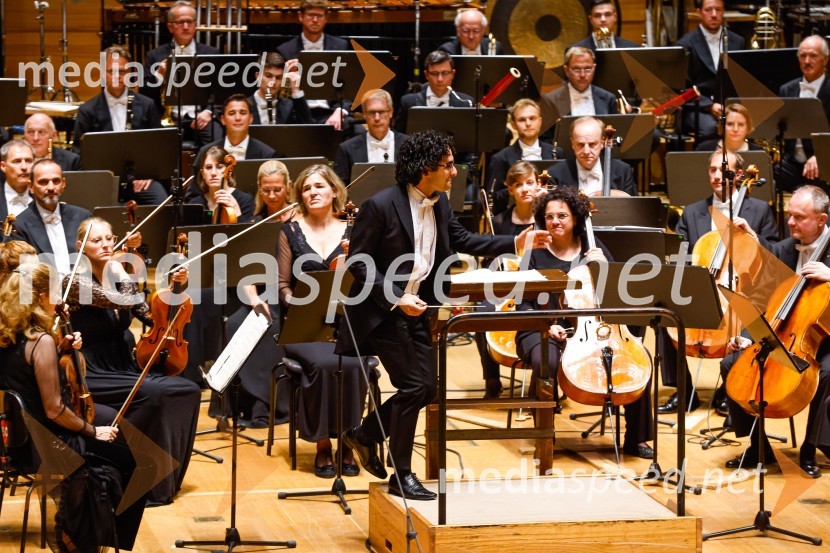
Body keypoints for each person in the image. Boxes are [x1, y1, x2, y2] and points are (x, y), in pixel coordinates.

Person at [337, 130, 551, 500]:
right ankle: (401, 474)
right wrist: (395, 297)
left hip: (419, 309)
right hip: (381, 312)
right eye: (448, 166)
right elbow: (359, 263)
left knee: (428, 389)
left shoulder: (439, 203)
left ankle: (365, 434)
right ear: (424, 169)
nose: (455, 172)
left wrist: (516, 242)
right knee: (414, 387)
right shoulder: (380, 205)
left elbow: (465, 240)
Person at [0, 261, 146, 550]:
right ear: (41, 296)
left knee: (126, 444)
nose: (61, 297)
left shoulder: (8, 333)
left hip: (14, 438)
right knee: (141, 460)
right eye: (56, 290)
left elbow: (25, 379)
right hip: (48, 441)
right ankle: (90, 535)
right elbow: (54, 409)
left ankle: (89, 529)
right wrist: (93, 432)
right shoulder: (39, 340)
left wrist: (61, 349)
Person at [67, 217, 201, 504]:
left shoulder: (117, 274)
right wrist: (122, 272)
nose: (105, 245)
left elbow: (151, 316)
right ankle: (140, 480)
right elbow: (121, 301)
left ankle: (163, 483)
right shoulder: (73, 281)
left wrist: (177, 287)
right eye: (96, 240)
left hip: (123, 365)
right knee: (159, 393)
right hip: (92, 371)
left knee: (187, 391)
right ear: (80, 246)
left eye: (108, 238)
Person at [515, 187, 654, 458]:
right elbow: (523, 303)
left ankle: (636, 438)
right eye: (550, 216)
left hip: (591, 328)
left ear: (576, 218)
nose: (555, 221)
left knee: (639, 360)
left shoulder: (594, 247)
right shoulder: (534, 252)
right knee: (548, 360)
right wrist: (546, 324)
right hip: (541, 327)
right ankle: (545, 433)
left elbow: (617, 295)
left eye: (562, 215)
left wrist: (604, 267)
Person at [720, 185, 830, 476]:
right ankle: (759, 446)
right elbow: (761, 302)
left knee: (827, 374)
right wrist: (743, 337)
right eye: (789, 215)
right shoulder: (783, 249)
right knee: (731, 363)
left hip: (826, 342)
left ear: (821, 220)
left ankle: (809, 448)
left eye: (800, 217)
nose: (791, 222)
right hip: (786, 335)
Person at [659, 151, 778, 415]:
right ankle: (683, 389)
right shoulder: (692, 212)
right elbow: (678, 255)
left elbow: (774, 254)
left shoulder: (758, 210)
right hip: (700, 289)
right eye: (712, 170)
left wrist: (753, 237)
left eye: (722, 171)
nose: (715, 176)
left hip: (742, 290)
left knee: (746, 316)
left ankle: (730, 390)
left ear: (737, 175)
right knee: (663, 316)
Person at [278, 164, 370, 477]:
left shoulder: (352, 229)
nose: (313, 192)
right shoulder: (290, 230)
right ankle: (321, 445)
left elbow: (366, 280)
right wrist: (300, 304)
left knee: (355, 363)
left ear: (334, 190)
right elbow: (281, 284)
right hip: (303, 328)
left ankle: (348, 441)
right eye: (306, 188)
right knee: (323, 364)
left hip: (345, 323)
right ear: (300, 196)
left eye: (319, 186)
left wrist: (354, 258)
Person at [223, 160, 296, 428]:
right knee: (236, 322)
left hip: (293, 293)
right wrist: (254, 299)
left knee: (269, 325)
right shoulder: (252, 222)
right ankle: (246, 403)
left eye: (277, 189)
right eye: (267, 190)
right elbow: (246, 271)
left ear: (288, 187)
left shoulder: (300, 219)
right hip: (264, 293)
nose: (273, 195)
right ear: (259, 189)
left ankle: (266, 407)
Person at [476, 161, 546, 398]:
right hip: (505, 290)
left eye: (530, 183)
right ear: (510, 189)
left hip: (539, 289)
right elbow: (490, 263)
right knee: (481, 313)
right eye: (519, 185)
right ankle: (492, 380)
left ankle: (544, 384)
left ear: (538, 185)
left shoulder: (547, 219)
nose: (525, 189)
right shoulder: (499, 222)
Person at [73, 45, 167, 205]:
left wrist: (149, 174)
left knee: (163, 203)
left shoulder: (147, 105)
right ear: (103, 74)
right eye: (111, 71)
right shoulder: (87, 111)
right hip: (104, 181)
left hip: (140, 178)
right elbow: (78, 153)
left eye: (122, 71)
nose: (117, 76)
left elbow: (158, 147)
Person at [141, 0, 221, 145]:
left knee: (217, 141)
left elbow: (220, 90)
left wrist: (209, 112)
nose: (186, 27)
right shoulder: (155, 56)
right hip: (166, 120)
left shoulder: (211, 54)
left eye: (189, 22)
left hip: (201, 117)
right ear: (170, 27)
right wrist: (159, 76)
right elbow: (144, 93)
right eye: (180, 22)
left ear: (195, 25)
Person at [276, 0, 351, 129]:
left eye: (320, 16)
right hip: (297, 114)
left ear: (326, 18)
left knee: (355, 129)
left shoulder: (340, 46)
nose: (315, 20)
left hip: (331, 112)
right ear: (301, 17)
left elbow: (349, 85)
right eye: (310, 15)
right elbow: (281, 93)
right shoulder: (285, 50)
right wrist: (289, 77)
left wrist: (340, 111)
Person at [676, 0, 744, 141]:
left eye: (718, 9)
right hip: (698, 108)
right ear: (699, 12)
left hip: (731, 105)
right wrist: (709, 105)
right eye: (709, 10)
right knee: (712, 128)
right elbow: (682, 88)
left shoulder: (738, 41)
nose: (714, 15)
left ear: (723, 11)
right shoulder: (685, 44)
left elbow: (742, 79)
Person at [13, 158, 91, 278]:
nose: (51, 187)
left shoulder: (83, 217)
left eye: (56, 181)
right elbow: (23, 275)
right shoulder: (19, 225)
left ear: (63, 184)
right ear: (31, 186)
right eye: (43, 182)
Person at [188, 94, 276, 199]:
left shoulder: (266, 154)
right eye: (231, 113)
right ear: (223, 119)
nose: (237, 118)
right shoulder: (205, 152)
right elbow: (193, 195)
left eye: (243, 113)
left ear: (251, 118)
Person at [487, 99, 562, 214]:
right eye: (522, 120)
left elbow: (564, 189)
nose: (528, 123)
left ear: (540, 121)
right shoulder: (500, 158)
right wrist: (520, 188)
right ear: (513, 125)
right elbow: (493, 198)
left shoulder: (557, 153)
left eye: (532, 118)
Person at [778, 35, 830, 191]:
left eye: (813, 56)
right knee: (763, 175)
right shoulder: (786, 89)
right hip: (792, 162)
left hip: (823, 161)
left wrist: (820, 156)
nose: (807, 61)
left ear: (825, 60)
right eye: (803, 56)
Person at [547, 116, 637, 195]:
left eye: (592, 144)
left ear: (602, 142)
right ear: (572, 143)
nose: (586, 151)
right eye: (580, 144)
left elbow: (633, 209)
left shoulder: (622, 171)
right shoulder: (555, 174)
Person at [334, 89, 409, 184]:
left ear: (391, 112)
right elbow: (340, 188)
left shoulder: (408, 145)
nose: (377, 118)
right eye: (372, 112)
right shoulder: (346, 149)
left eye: (381, 112)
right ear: (364, 114)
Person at [395, 50, 474, 134]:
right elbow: (399, 137)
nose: (440, 79)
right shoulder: (408, 102)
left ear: (453, 74)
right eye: (434, 73)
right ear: (426, 75)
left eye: (445, 73)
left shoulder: (466, 103)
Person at [541, 47, 618, 127]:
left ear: (594, 68)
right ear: (566, 70)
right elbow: (546, 137)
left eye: (587, 69)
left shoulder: (608, 98)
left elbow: (614, 132)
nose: (582, 75)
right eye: (576, 69)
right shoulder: (550, 101)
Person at [188, 145, 255, 222]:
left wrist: (236, 209)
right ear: (202, 173)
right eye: (209, 167)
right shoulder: (195, 204)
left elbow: (249, 233)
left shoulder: (245, 200)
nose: (213, 173)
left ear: (229, 172)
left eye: (219, 167)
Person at [249, 52, 312, 125]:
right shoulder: (244, 105)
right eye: (268, 76)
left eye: (278, 78)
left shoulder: (289, 106)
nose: (273, 82)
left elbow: (309, 127)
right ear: (257, 76)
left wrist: (295, 90)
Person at [568, 0, 641, 51]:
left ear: (615, 17)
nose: (603, 19)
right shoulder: (574, 50)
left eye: (608, 14)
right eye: (597, 15)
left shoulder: (632, 48)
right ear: (590, 19)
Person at [695, 103, 765, 152]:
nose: (735, 129)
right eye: (730, 124)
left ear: (748, 127)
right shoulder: (704, 149)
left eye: (740, 124)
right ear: (722, 126)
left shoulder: (759, 152)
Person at [438, 9, 504, 55]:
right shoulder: (446, 51)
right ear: (458, 30)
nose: (471, 36)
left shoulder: (495, 48)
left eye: (476, 31)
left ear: (483, 30)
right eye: (466, 31)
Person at [0, 139, 34, 219]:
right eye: (17, 161)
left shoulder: (43, 198)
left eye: (28, 161)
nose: (24, 167)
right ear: (3, 166)